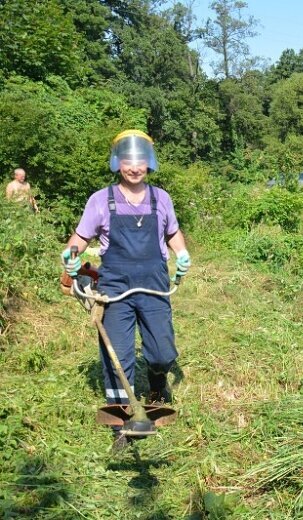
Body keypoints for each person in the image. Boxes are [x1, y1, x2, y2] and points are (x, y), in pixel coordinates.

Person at [61, 129, 191, 450]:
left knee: (162, 352)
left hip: (154, 283)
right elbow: (80, 239)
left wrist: (183, 253)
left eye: (140, 161)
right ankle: (122, 424)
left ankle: (158, 383)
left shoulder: (161, 198)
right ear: (118, 162)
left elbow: (172, 233)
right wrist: (70, 256)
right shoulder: (100, 200)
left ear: (149, 162)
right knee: (116, 356)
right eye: (128, 161)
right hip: (115, 286)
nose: (134, 168)